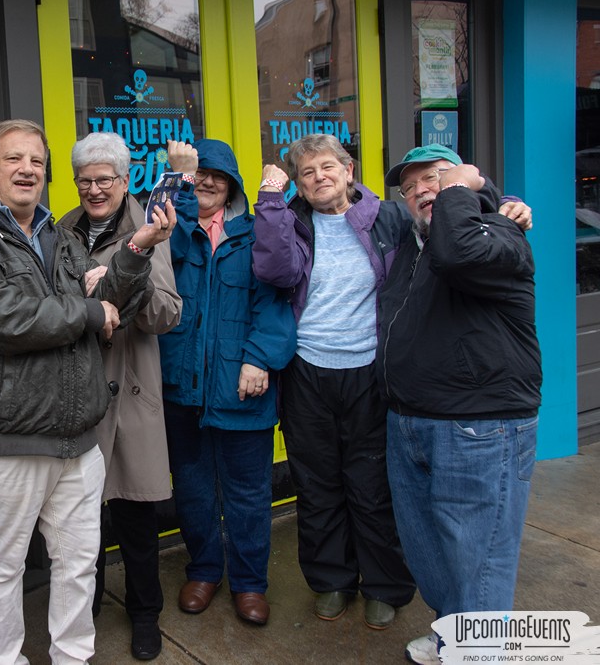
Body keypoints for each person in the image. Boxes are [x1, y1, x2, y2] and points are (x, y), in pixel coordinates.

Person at [0, 119, 173, 665]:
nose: (27, 170)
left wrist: (137, 250)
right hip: (8, 435)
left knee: (77, 563)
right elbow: (0, 315)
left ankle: (72, 656)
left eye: (36, 162)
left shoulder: (58, 236)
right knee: (2, 566)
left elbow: (114, 295)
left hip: (78, 437)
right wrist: (90, 311)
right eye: (14, 159)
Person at [378, 146, 541, 665]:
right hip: (411, 421)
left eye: (436, 178)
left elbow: (461, 253)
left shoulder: (499, 233)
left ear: (465, 182)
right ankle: (459, 637)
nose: (423, 189)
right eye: (411, 187)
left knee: (479, 560)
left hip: (479, 428)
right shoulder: (415, 241)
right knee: (431, 555)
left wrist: (478, 192)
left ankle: (483, 651)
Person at [251, 134, 417, 629]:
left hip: (369, 371)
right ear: (299, 185)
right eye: (307, 173)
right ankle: (331, 581)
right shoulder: (292, 221)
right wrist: (271, 203)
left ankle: (385, 586)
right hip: (307, 372)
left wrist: (504, 204)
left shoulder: (389, 217)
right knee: (317, 484)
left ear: (348, 170)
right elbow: (276, 273)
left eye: (328, 167)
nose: (319, 177)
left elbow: (441, 219)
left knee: (371, 486)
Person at [160, 139, 297, 627]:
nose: (206, 183)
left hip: (244, 389)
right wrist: (176, 179)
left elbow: (275, 305)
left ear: (233, 183)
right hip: (183, 388)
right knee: (193, 489)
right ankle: (202, 570)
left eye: (216, 175)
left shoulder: (256, 233)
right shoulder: (172, 232)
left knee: (248, 493)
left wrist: (259, 358)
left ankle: (249, 582)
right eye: (198, 175)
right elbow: (158, 243)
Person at [56, 132, 182, 661]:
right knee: (77, 519)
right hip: (78, 387)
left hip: (129, 388)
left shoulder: (149, 225)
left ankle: (145, 612)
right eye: (85, 180)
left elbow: (167, 315)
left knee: (135, 516)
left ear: (124, 179)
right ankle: (83, 609)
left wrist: (127, 281)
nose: (94, 189)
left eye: (104, 179)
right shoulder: (61, 228)